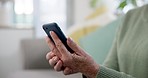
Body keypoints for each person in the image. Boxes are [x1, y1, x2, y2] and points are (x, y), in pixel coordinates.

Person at [45, 4, 148, 78]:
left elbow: (97, 71)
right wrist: (82, 65)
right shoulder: (130, 17)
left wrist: (91, 70)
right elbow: (110, 67)